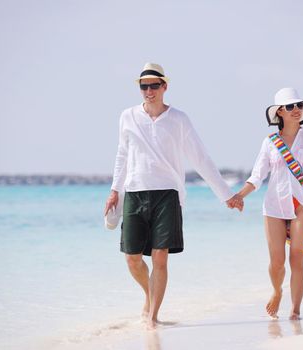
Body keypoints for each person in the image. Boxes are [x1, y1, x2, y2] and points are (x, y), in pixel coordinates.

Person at [104, 63, 243, 330]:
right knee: (132, 258)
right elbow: (122, 155)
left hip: (168, 193)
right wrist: (114, 190)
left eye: (154, 85)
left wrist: (226, 195)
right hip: (134, 191)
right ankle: (150, 294)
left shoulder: (179, 119)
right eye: (144, 86)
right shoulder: (127, 117)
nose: (149, 91)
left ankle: (153, 318)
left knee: (160, 257)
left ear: (164, 86)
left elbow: (200, 158)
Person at [233, 87, 303, 320]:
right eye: (290, 107)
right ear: (280, 112)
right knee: (277, 261)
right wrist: (239, 196)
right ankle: (277, 291)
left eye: (298, 105)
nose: (296, 110)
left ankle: (295, 311)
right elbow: (257, 177)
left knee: (296, 257)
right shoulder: (270, 142)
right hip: (274, 207)